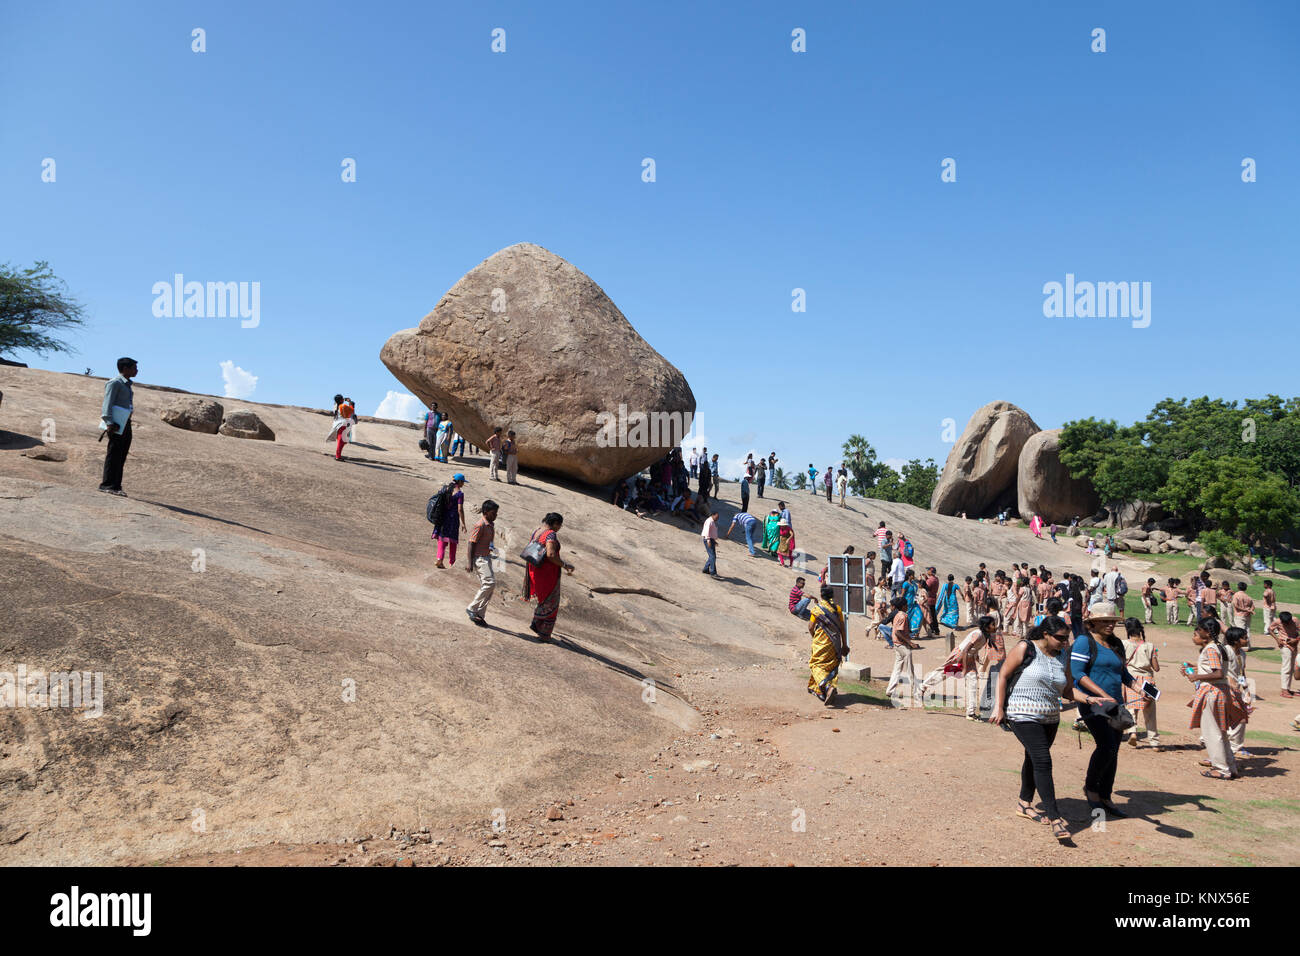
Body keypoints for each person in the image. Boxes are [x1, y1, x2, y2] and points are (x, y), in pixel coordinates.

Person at [993, 616, 1101, 845]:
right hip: (1022, 714)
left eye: (1066, 638)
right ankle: (1055, 817)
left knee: (1033, 759)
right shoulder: (1026, 648)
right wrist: (998, 707)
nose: (1065, 642)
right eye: (1060, 638)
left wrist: (1089, 699)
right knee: (1043, 760)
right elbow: (1003, 675)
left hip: (1050, 717)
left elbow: (1068, 691)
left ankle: (1024, 803)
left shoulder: (1064, 656)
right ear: (1045, 634)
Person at [1071, 602, 1143, 817]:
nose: (1110, 625)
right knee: (1106, 746)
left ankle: (1106, 795)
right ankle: (1091, 789)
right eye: (1105, 621)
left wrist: (1139, 688)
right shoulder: (1084, 642)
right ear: (1092, 623)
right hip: (1093, 704)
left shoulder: (1116, 644)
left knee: (1114, 751)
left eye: (1112, 621)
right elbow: (1077, 674)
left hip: (1115, 705)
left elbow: (1124, 674)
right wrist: (1101, 695)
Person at [1186, 617, 1245, 780]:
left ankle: (1221, 769)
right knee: (1221, 732)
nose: (1196, 633)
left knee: (1212, 733)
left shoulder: (1211, 649)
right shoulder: (1221, 647)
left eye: (1198, 630)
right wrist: (1197, 670)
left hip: (1212, 692)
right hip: (1221, 691)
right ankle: (1230, 767)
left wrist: (1197, 676)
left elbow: (1218, 672)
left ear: (1206, 632)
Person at [922, 615, 995, 718]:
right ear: (986, 626)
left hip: (969, 659)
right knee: (944, 673)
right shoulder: (978, 634)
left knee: (972, 682)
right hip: (960, 656)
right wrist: (964, 668)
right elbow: (965, 650)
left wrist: (977, 657)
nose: (995, 626)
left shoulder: (985, 635)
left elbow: (974, 648)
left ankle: (971, 712)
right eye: (992, 624)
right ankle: (923, 686)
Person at [524, 513, 573, 640]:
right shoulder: (551, 534)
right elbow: (551, 554)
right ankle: (544, 633)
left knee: (543, 600)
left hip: (535, 569)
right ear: (555, 523)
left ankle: (537, 625)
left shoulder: (537, 531)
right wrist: (564, 565)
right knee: (551, 602)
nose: (560, 528)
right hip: (546, 573)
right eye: (560, 525)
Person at [98, 357, 137, 495]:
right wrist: (109, 422)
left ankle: (116, 485)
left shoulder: (127, 384)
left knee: (122, 454)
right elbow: (107, 403)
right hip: (115, 423)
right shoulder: (115, 383)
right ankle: (107, 485)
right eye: (133, 368)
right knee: (114, 454)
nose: (136, 370)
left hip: (125, 422)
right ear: (125, 368)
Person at [1121, 618, 1160, 749]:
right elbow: (1156, 668)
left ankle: (1132, 732)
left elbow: (1121, 662)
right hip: (1148, 680)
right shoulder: (1149, 646)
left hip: (1131, 679)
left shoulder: (1124, 644)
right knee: (1150, 712)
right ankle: (1154, 742)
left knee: (1131, 708)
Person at [807, 586, 849, 706]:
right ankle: (818, 689)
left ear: (821, 595)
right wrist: (844, 644)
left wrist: (814, 636)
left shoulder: (817, 610)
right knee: (830, 665)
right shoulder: (837, 609)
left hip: (820, 643)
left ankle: (827, 686)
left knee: (816, 664)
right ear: (832, 596)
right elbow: (842, 628)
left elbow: (810, 627)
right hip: (835, 643)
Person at [464, 499, 499, 626]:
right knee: (489, 583)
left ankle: (480, 614)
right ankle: (472, 608)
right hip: (479, 558)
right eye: (493, 513)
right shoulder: (480, 525)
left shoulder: (491, 525)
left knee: (490, 586)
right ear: (485, 512)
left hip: (486, 557)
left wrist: (491, 548)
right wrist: (469, 562)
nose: (495, 515)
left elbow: (490, 541)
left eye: (496, 513)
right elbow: (471, 543)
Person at [1223, 627, 1255, 760]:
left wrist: (1246, 689)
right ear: (1236, 640)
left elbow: (1241, 673)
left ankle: (1234, 746)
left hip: (1236, 689)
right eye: (1244, 637)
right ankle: (1233, 747)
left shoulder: (1242, 654)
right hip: (1224, 688)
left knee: (1240, 717)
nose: (1247, 640)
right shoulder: (1226, 651)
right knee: (1237, 716)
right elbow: (1219, 670)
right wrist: (1229, 682)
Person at [884, 596, 921, 704]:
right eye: (906, 605)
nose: (907, 607)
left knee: (897, 668)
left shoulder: (897, 615)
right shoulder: (903, 616)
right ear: (904, 606)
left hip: (897, 645)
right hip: (903, 646)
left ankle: (889, 690)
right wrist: (910, 643)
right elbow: (898, 632)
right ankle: (917, 693)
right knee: (911, 671)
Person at [432, 474, 467, 568]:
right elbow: (460, 509)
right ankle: (452, 562)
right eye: (463, 482)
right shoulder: (460, 494)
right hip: (453, 519)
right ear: (459, 482)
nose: (463, 484)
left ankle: (439, 559)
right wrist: (463, 523)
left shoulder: (446, 488)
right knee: (453, 541)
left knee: (442, 539)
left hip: (443, 516)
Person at [1267, 610, 1298, 698]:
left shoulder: (1295, 620)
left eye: (1288, 622)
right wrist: (1277, 640)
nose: (1287, 624)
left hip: (1294, 645)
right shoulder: (1277, 621)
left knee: (1292, 667)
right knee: (1286, 667)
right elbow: (1270, 629)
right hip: (1284, 645)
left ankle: (1288, 689)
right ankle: (1284, 690)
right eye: (1285, 623)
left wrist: (1296, 640)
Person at [1231, 582, 1255, 649]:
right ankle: (1247, 646)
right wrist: (1249, 611)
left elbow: (1236, 605)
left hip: (1239, 615)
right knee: (1247, 630)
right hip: (1247, 615)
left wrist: (1245, 610)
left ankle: (1243, 646)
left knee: (1240, 631)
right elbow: (1253, 606)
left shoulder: (1236, 595)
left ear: (1238, 587)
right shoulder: (1248, 596)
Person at [701, 509, 720, 576]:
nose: (717, 518)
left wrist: (714, 541)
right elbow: (706, 531)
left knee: (712, 556)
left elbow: (711, 532)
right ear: (713, 515)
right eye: (716, 517)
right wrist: (708, 540)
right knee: (713, 556)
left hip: (711, 540)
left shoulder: (712, 521)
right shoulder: (709, 521)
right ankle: (713, 572)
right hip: (708, 540)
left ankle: (706, 569)